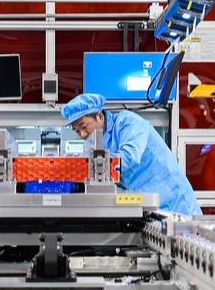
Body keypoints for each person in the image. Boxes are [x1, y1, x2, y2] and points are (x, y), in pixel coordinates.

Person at [61, 93, 202, 216]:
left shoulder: (128, 122)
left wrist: (91, 166)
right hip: (146, 202)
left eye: (84, 127)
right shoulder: (93, 141)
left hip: (173, 201)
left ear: (99, 116)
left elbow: (129, 157)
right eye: (77, 131)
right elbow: (85, 165)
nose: (82, 134)